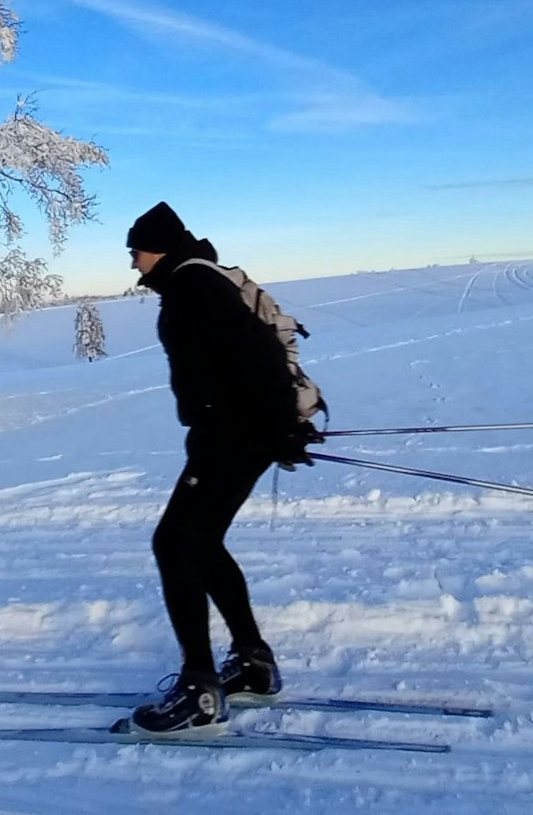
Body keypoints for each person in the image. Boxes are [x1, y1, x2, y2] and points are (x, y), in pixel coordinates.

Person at [123, 201, 318, 734]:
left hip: (231, 438)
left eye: (136, 252)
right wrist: (281, 426)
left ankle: (199, 691)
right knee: (200, 542)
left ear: (156, 248)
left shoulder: (193, 286)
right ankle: (253, 665)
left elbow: (256, 356)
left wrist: (281, 425)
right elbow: (248, 357)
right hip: (235, 435)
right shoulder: (199, 280)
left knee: (175, 544)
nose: (134, 263)